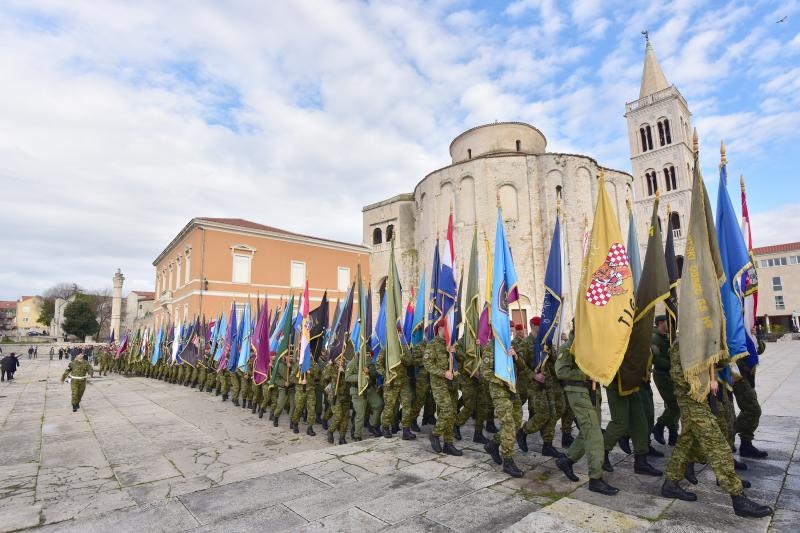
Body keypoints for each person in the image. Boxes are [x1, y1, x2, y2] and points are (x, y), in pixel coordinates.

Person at [661, 343, 772, 518]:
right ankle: (738, 498)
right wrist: (700, 385)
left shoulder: (701, 337)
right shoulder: (683, 342)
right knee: (718, 446)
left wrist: (719, 352)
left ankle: (670, 483)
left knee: (686, 443)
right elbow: (677, 375)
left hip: (703, 398)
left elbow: (716, 363)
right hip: (693, 400)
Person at [554, 325, 619, 495]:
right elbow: (561, 371)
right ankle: (595, 479)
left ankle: (567, 461)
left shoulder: (589, 347)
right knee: (595, 435)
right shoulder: (568, 347)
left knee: (587, 431)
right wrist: (585, 376)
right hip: (578, 393)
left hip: (592, 392)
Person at [424, 321, 461, 456]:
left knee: (451, 414)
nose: (447, 330)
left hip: (452, 384)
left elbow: (460, 361)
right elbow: (427, 363)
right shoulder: (432, 344)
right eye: (445, 327)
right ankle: (435, 434)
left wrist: (455, 352)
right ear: (439, 328)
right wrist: (443, 372)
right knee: (446, 410)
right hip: (439, 384)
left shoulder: (451, 344)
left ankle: (448, 443)